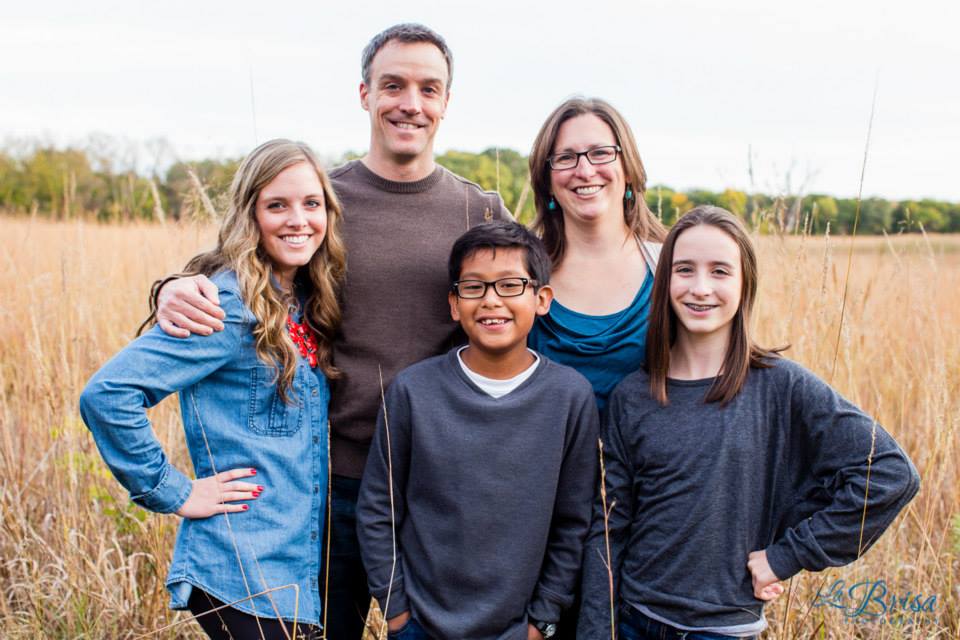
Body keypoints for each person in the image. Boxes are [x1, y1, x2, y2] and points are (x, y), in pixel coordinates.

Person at [149, 23, 512, 638]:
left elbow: (530, 300)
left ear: (447, 102)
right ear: (364, 93)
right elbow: (232, 273)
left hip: (434, 487)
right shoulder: (318, 202)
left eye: (428, 89)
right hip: (325, 486)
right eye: (393, 85)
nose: (410, 103)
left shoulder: (479, 210)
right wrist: (171, 287)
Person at [577, 206, 920, 640]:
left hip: (723, 629)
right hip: (634, 620)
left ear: (745, 284)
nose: (701, 288)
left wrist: (786, 556)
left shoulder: (780, 386)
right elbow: (608, 529)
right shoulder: (633, 396)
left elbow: (890, 473)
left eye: (720, 271)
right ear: (664, 282)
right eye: (685, 269)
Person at [79, 139, 347, 639]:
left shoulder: (301, 299)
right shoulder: (226, 305)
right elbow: (109, 395)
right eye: (277, 205)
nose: (298, 220)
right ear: (250, 215)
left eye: (311, 203)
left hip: (289, 566)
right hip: (240, 564)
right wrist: (176, 491)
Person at [357, 221, 599, 640]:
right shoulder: (413, 391)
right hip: (419, 625)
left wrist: (542, 619)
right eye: (474, 287)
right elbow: (378, 508)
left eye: (510, 285)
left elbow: (573, 522)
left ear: (542, 299)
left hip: (519, 629)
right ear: (454, 304)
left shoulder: (570, 397)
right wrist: (396, 610)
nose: (491, 300)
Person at [527, 97, 667, 415]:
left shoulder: (672, 269)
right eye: (565, 157)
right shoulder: (520, 274)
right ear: (547, 181)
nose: (585, 170)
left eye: (601, 153)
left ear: (628, 168)